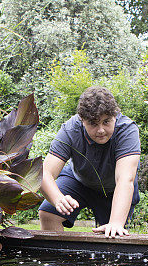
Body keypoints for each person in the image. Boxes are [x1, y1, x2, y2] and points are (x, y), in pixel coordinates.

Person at [38, 86, 140, 237]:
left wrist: (116, 223)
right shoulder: (70, 130)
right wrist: (58, 199)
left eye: (106, 122)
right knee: (48, 213)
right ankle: (57, 260)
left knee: (113, 234)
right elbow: (44, 173)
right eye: (93, 123)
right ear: (82, 120)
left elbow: (125, 179)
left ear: (115, 116)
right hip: (79, 180)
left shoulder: (127, 130)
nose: (101, 130)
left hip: (114, 188)